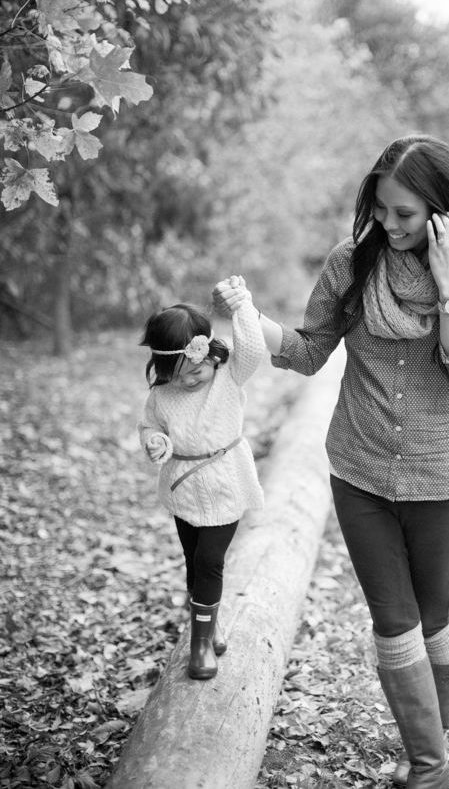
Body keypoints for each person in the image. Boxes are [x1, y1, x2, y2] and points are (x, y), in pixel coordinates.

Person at [213, 135, 449, 787]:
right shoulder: (351, 264)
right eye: (380, 209)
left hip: (443, 475)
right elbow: (309, 349)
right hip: (360, 472)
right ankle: (429, 763)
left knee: (435, 616)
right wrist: (249, 319)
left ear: (441, 211)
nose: (388, 224)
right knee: (394, 620)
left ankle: (433, 737)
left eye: (404, 213)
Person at [138, 279, 265, 680]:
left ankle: (199, 645)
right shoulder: (162, 396)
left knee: (211, 560)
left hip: (226, 482)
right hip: (184, 488)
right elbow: (149, 425)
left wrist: (241, 306)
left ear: (210, 353)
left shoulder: (229, 376)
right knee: (194, 562)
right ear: (163, 370)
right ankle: (210, 624)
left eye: (196, 369)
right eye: (179, 375)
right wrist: (156, 441)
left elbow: (253, 348)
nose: (190, 380)